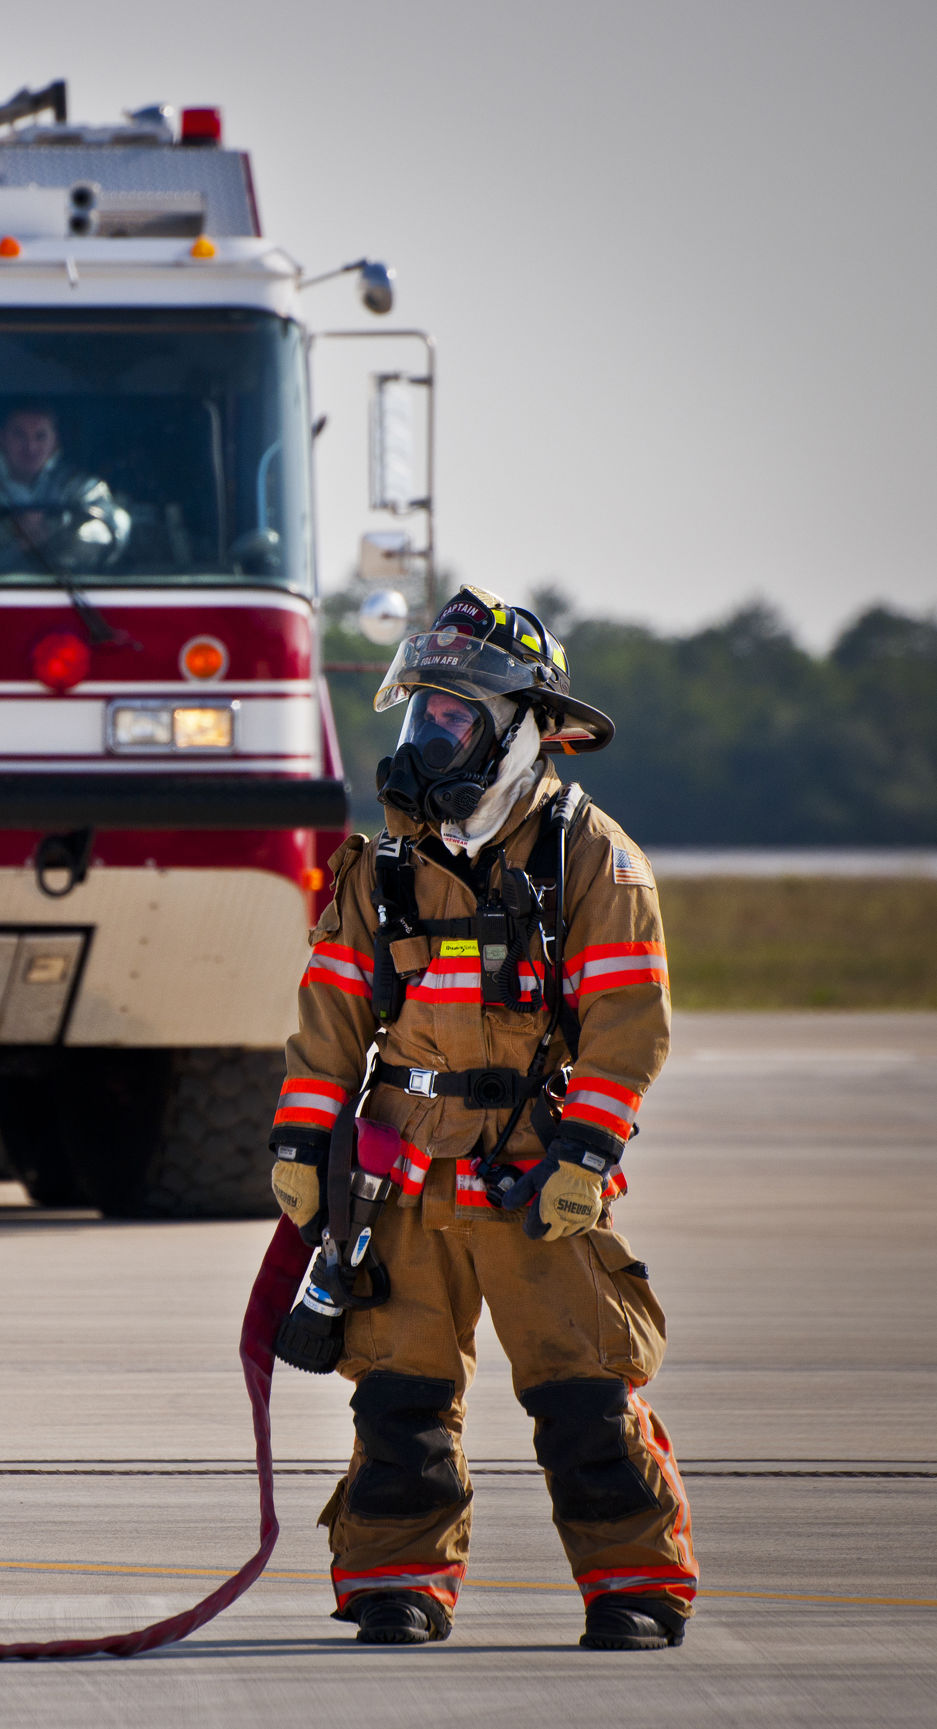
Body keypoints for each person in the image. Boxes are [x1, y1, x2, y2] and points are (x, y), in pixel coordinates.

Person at [270, 585, 695, 1651]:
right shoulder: (386, 870)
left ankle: (635, 1582)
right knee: (398, 1399)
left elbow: (629, 1025)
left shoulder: (590, 859)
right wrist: (296, 1142)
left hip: (536, 1174)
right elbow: (331, 1015)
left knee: (585, 1391)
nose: (428, 740)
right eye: (423, 716)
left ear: (521, 729)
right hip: (401, 1174)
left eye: (454, 718)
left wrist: (585, 1152)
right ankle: (397, 1581)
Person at [0, 405, 129, 575]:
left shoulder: (80, 487)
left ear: (55, 442)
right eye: (19, 435)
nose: (30, 447)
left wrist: (56, 532)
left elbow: (114, 524)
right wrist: (9, 532)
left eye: (40, 436)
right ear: (0, 439)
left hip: (65, 595)